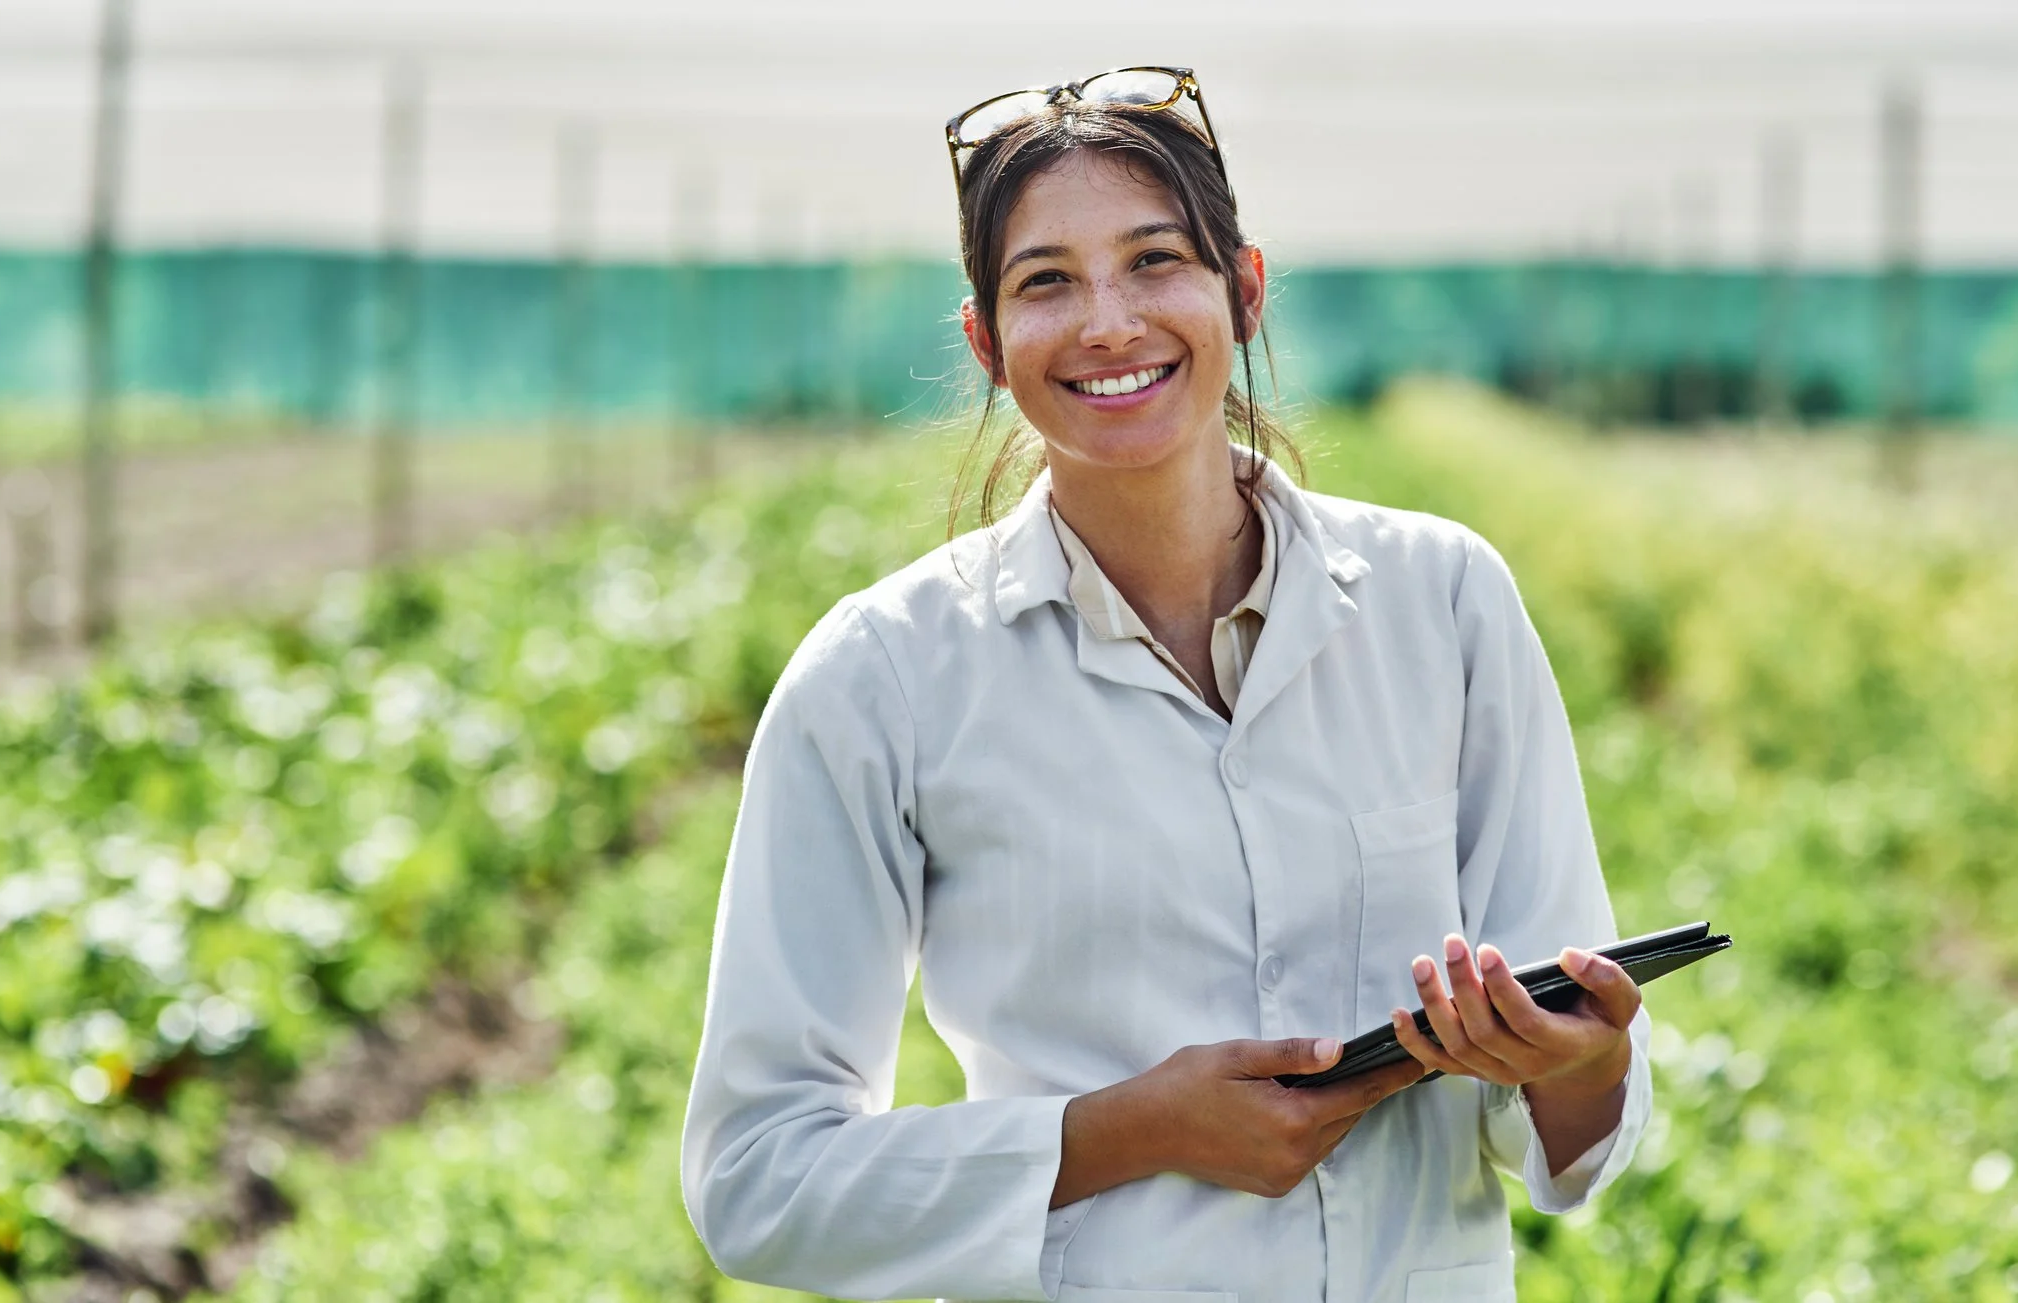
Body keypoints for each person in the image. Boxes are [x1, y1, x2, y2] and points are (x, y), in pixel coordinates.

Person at [680, 65, 1654, 1303]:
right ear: (986, 341)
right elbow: (759, 1183)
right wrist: (1125, 1131)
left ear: (1240, 290)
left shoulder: (1442, 600)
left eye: (1154, 261)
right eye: (1046, 282)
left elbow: (1569, 1129)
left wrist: (1572, 1067)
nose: (1108, 323)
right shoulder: (884, 679)